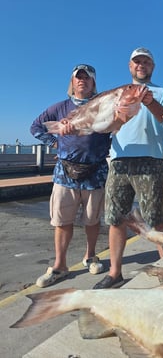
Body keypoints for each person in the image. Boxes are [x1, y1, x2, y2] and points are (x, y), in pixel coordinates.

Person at [93, 47, 163, 289]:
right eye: (137, 62)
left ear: (153, 67)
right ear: (130, 67)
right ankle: (115, 272)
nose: (141, 65)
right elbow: (104, 125)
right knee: (116, 218)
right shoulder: (117, 93)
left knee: (157, 218)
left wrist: (150, 102)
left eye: (146, 62)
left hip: (151, 160)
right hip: (119, 161)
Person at [30, 64, 111, 288]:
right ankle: (59, 266)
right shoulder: (60, 107)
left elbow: (115, 128)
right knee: (62, 221)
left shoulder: (102, 105)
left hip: (95, 171)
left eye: (87, 78)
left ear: (93, 83)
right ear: (72, 82)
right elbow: (36, 127)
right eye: (78, 77)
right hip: (65, 172)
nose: (82, 81)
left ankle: (91, 256)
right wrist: (55, 141)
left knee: (92, 220)